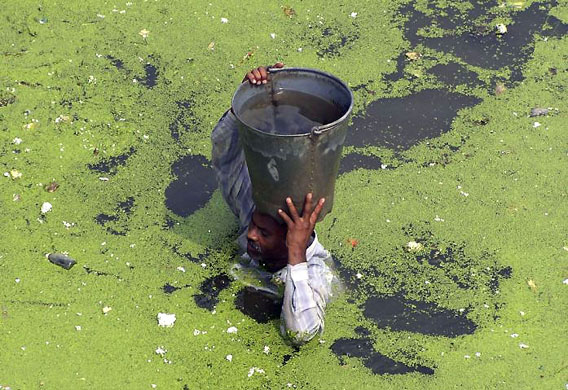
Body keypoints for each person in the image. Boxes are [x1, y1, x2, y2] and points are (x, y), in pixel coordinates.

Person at [211, 63, 335, 345]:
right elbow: (225, 159)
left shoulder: (317, 274)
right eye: (254, 226)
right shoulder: (257, 215)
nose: (251, 235)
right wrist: (244, 106)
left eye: (264, 234)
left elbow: (301, 334)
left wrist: (296, 256)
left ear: (290, 239)